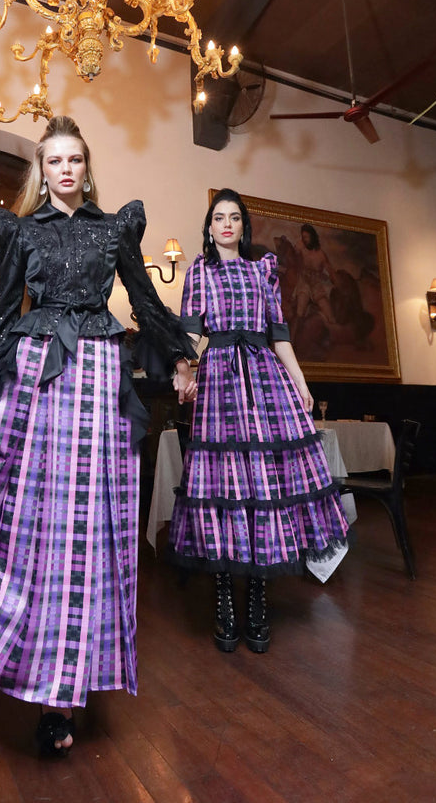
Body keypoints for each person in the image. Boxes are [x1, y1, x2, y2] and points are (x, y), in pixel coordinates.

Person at [0, 115, 196, 756]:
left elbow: (145, 300)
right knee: (37, 520)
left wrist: (180, 356)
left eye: (74, 159)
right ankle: (25, 652)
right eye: (54, 161)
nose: (66, 169)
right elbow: (3, 314)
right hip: (35, 371)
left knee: (88, 527)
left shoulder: (114, 229)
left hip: (100, 372)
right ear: (42, 172)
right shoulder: (23, 232)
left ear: (86, 167)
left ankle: (67, 691)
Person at [167, 189, 349, 653]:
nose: (226, 224)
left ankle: (256, 599)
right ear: (209, 227)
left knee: (264, 488)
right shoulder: (199, 272)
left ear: (243, 227)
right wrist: (183, 371)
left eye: (234, 217)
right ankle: (225, 600)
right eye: (218, 217)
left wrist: (301, 382)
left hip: (265, 380)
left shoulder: (262, 269)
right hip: (219, 381)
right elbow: (191, 333)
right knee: (224, 488)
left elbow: (279, 334)